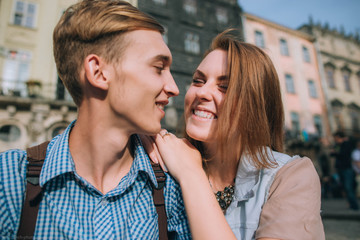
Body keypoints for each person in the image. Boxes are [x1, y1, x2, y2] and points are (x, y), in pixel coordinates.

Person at [0, 1, 191, 239]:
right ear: (98, 72)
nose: (173, 88)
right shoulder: (9, 181)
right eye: (158, 67)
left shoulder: (170, 186)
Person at [143, 30, 325, 239]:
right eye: (198, 81)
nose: (202, 93)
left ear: (256, 104)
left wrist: (191, 175)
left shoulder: (290, 176)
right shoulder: (161, 161)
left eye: (225, 87)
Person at [331, 131, 359, 210]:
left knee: (348, 187)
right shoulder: (337, 145)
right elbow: (332, 153)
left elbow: (343, 154)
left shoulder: (347, 144)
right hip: (340, 168)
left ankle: (355, 206)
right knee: (345, 187)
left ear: (339, 137)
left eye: (335, 138)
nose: (335, 140)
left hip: (347, 168)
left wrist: (336, 153)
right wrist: (335, 152)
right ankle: (351, 204)